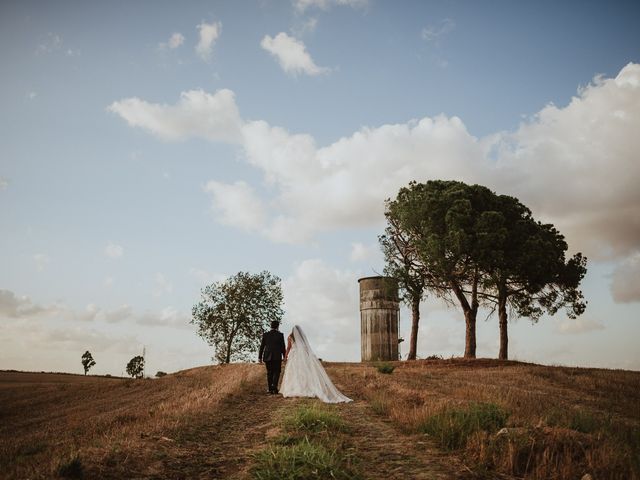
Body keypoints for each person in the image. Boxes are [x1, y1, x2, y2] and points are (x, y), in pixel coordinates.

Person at [280, 325, 352, 403]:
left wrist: (286, 355)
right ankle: (305, 387)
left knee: (294, 372)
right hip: (302, 356)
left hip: (294, 356)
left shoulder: (290, 337)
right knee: (304, 371)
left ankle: (293, 388)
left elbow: (288, 347)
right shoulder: (302, 337)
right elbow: (306, 347)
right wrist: (308, 356)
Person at [258, 320, 286, 394]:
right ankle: (274, 388)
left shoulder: (265, 334)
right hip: (277, 356)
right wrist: (284, 356)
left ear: (271, 326)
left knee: (269, 372)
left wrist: (260, 357)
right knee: (277, 372)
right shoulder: (280, 335)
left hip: (267, 356)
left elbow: (262, 346)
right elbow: (283, 347)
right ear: (277, 326)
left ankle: (270, 389)